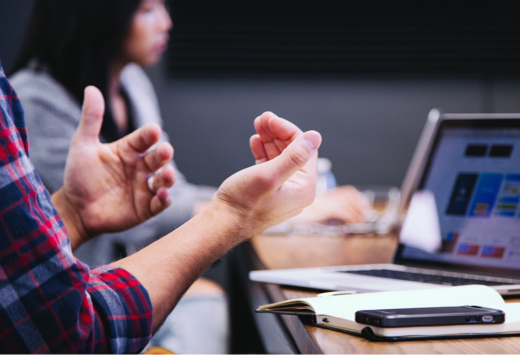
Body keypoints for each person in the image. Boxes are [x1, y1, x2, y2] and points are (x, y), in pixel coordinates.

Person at [0, 62, 322, 354]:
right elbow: (70, 332)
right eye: (148, 9)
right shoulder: (33, 98)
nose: (166, 22)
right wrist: (234, 214)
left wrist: (73, 214)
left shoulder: (133, 81)